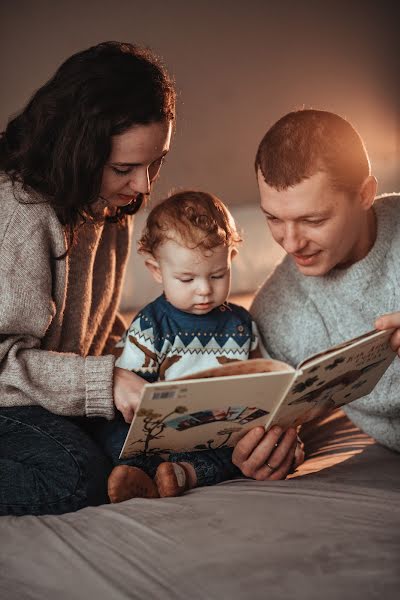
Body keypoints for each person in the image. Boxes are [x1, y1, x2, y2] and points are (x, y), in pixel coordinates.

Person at [0, 42, 298, 516]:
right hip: (9, 399)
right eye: (125, 168)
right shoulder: (20, 213)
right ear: (78, 150)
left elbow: (93, 327)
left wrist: (148, 373)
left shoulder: (110, 203)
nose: (144, 187)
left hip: (55, 396)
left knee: (138, 449)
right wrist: (105, 380)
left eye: (155, 162)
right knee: (77, 475)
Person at [234, 109, 400, 465]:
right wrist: (265, 453)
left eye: (313, 220)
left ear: (365, 194)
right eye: (274, 219)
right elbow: (258, 423)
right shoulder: (275, 314)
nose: (291, 243)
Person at [96, 190, 274, 502]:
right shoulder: (151, 325)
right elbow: (130, 395)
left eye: (218, 275)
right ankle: (137, 472)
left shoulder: (240, 323)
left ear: (231, 258)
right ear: (156, 271)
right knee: (112, 434)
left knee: (244, 448)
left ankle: (183, 475)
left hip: (215, 431)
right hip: (158, 431)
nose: (205, 290)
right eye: (187, 279)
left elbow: (263, 376)